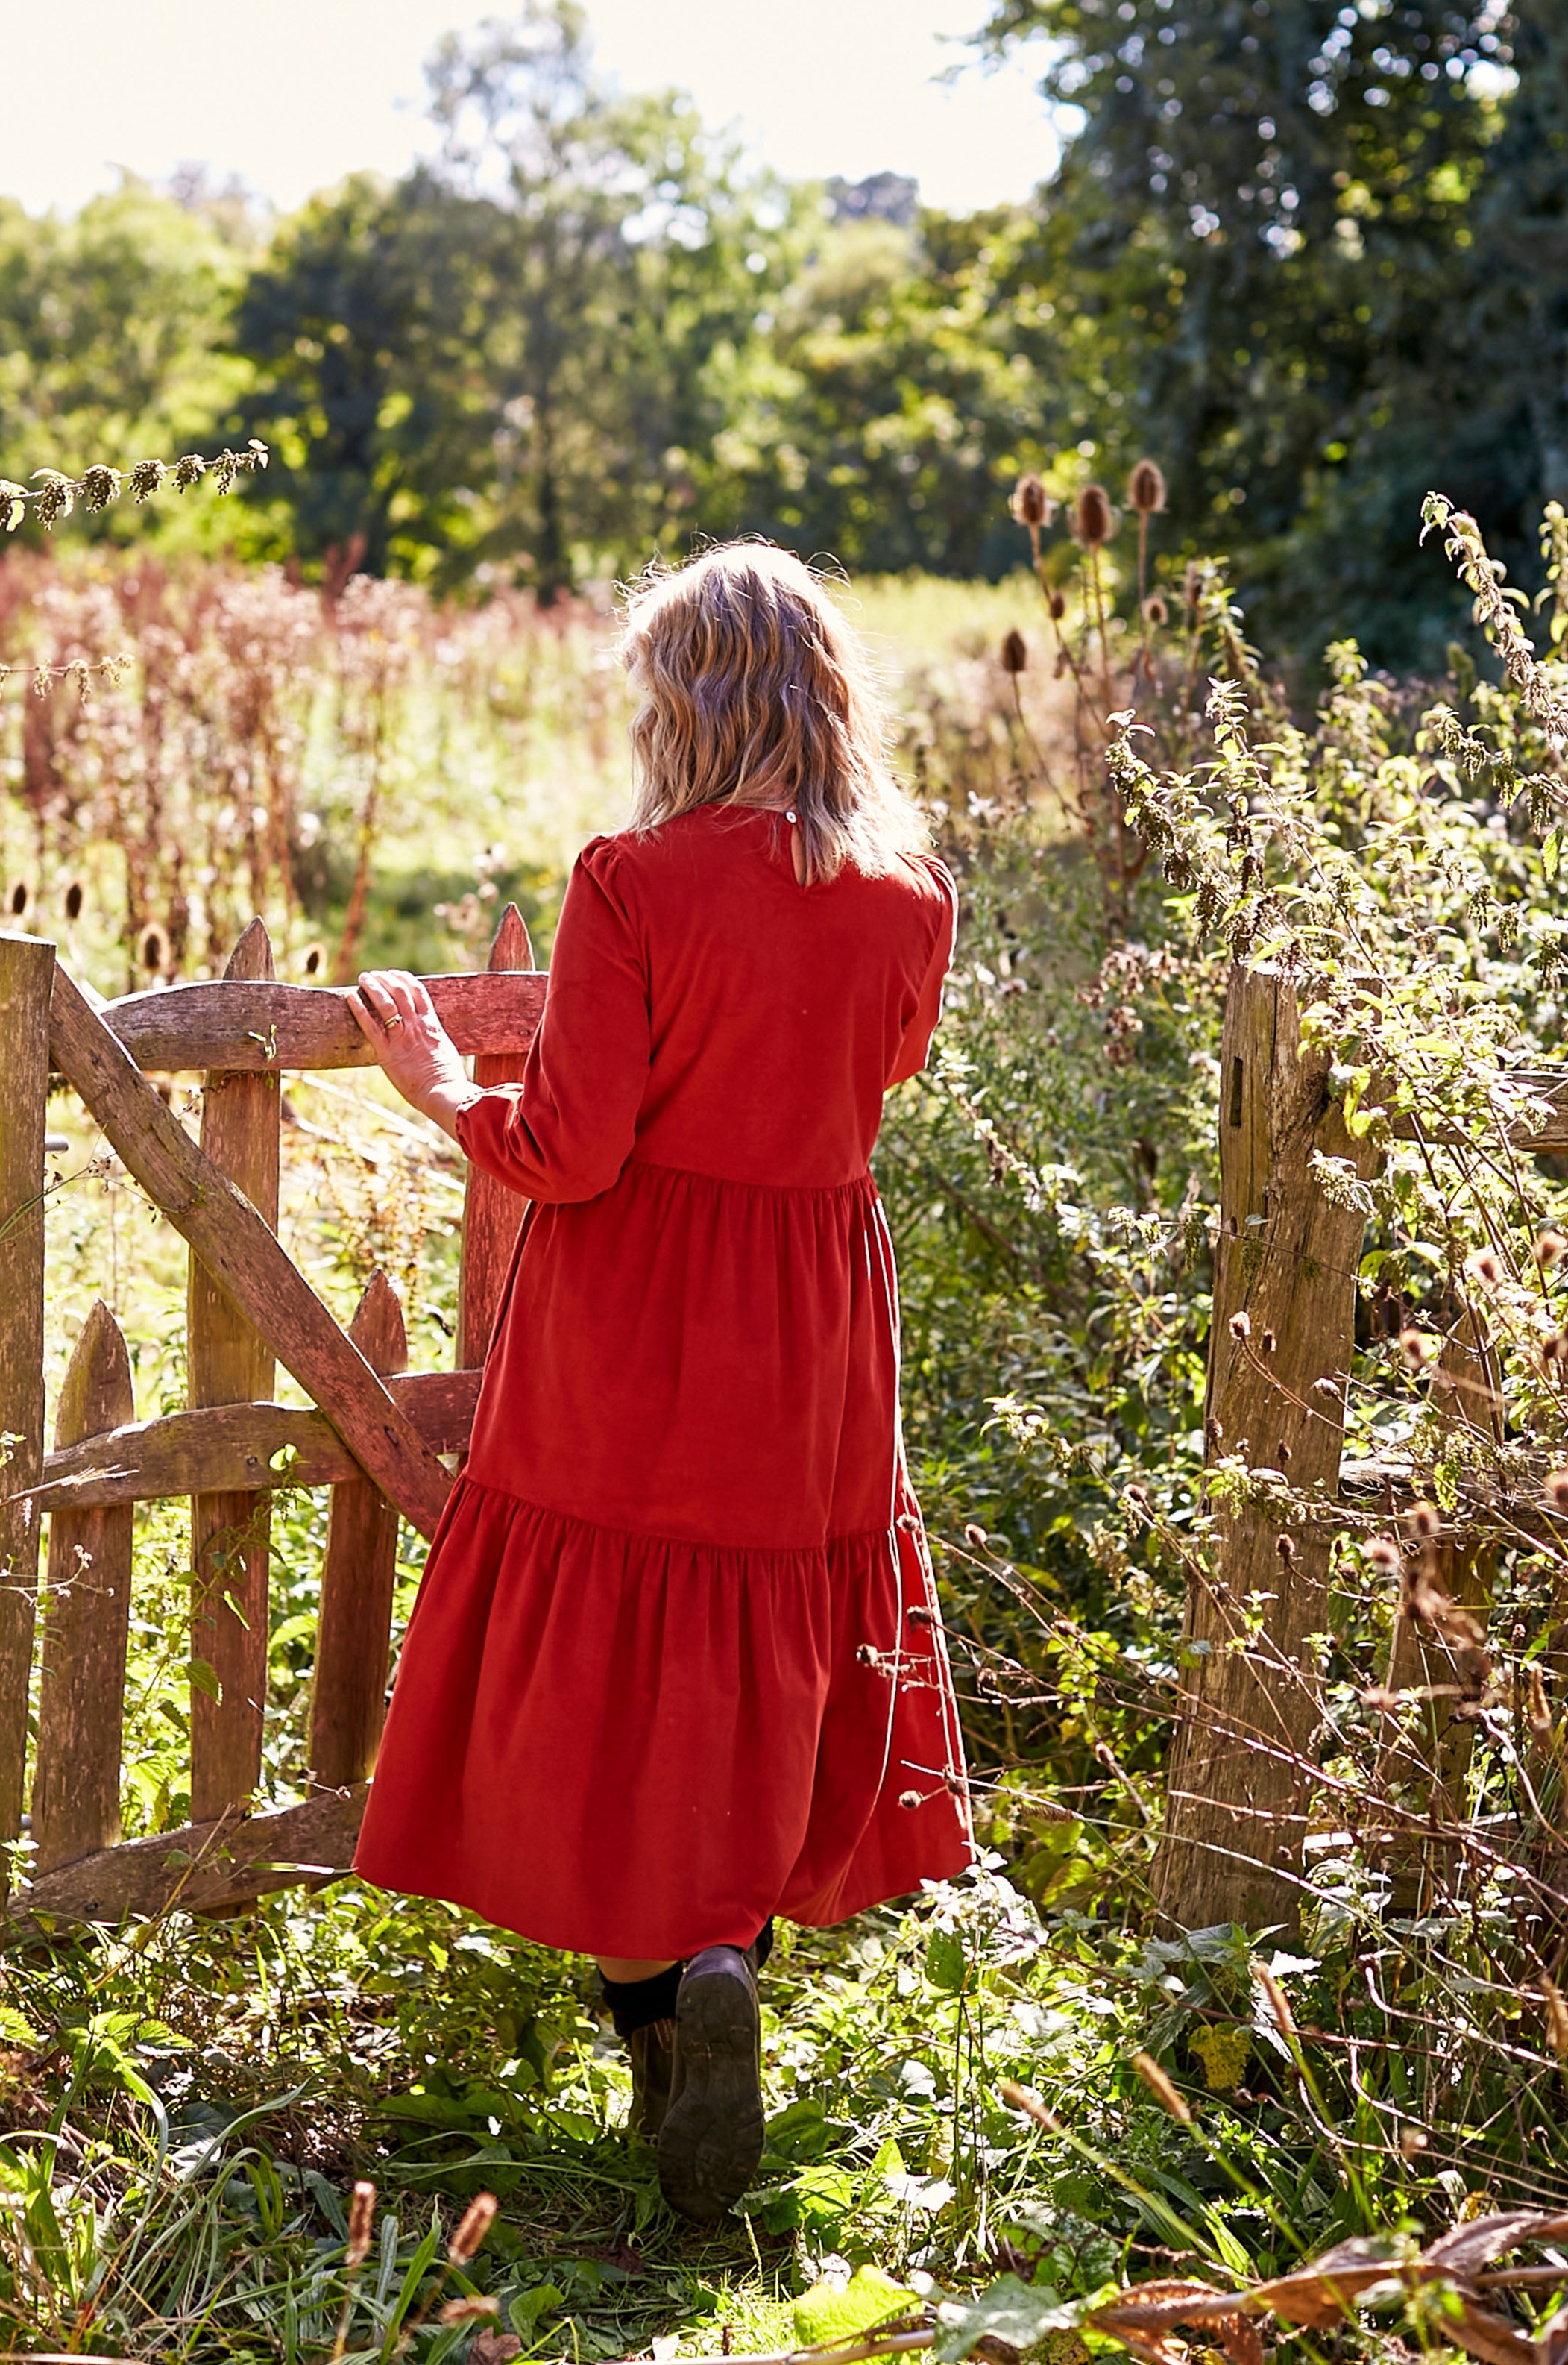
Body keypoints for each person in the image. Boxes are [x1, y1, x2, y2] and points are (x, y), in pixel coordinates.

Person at [346, 539, 970, 2222]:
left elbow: (567, 1150)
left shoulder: (631, 879)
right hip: (812, 1315)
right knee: (760, 1623)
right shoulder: (911, 889)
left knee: (627, 1645)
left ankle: (662, 2015)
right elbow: (876, 1071)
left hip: (632, 1311)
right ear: (824, 690)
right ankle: (718, 1965)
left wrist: (437, 1086)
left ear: (687, 701)